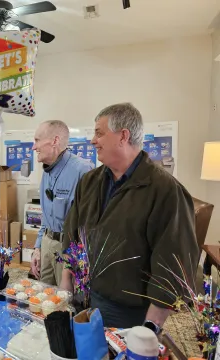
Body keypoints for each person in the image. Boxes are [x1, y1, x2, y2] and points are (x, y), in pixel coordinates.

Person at [60, 103, 198, 330]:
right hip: (84, 295)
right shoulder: (89, 182)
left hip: (129, 312)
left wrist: (151, 328)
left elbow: (173, 265)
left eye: (99, 133)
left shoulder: (165, 190)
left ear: (123, 136)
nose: (93, 141)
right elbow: (72, 231)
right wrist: (66, 282)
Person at [30, 120, 94, 285]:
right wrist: (37, 248)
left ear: (55, 141)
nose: (33, 147)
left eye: (37, 140)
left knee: (65, 301)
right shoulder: (47, 171)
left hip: (67, 249)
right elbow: (46, 216)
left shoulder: (83, 170)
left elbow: (89, 223)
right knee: (44, 294)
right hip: (47, 242)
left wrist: (80, 260)